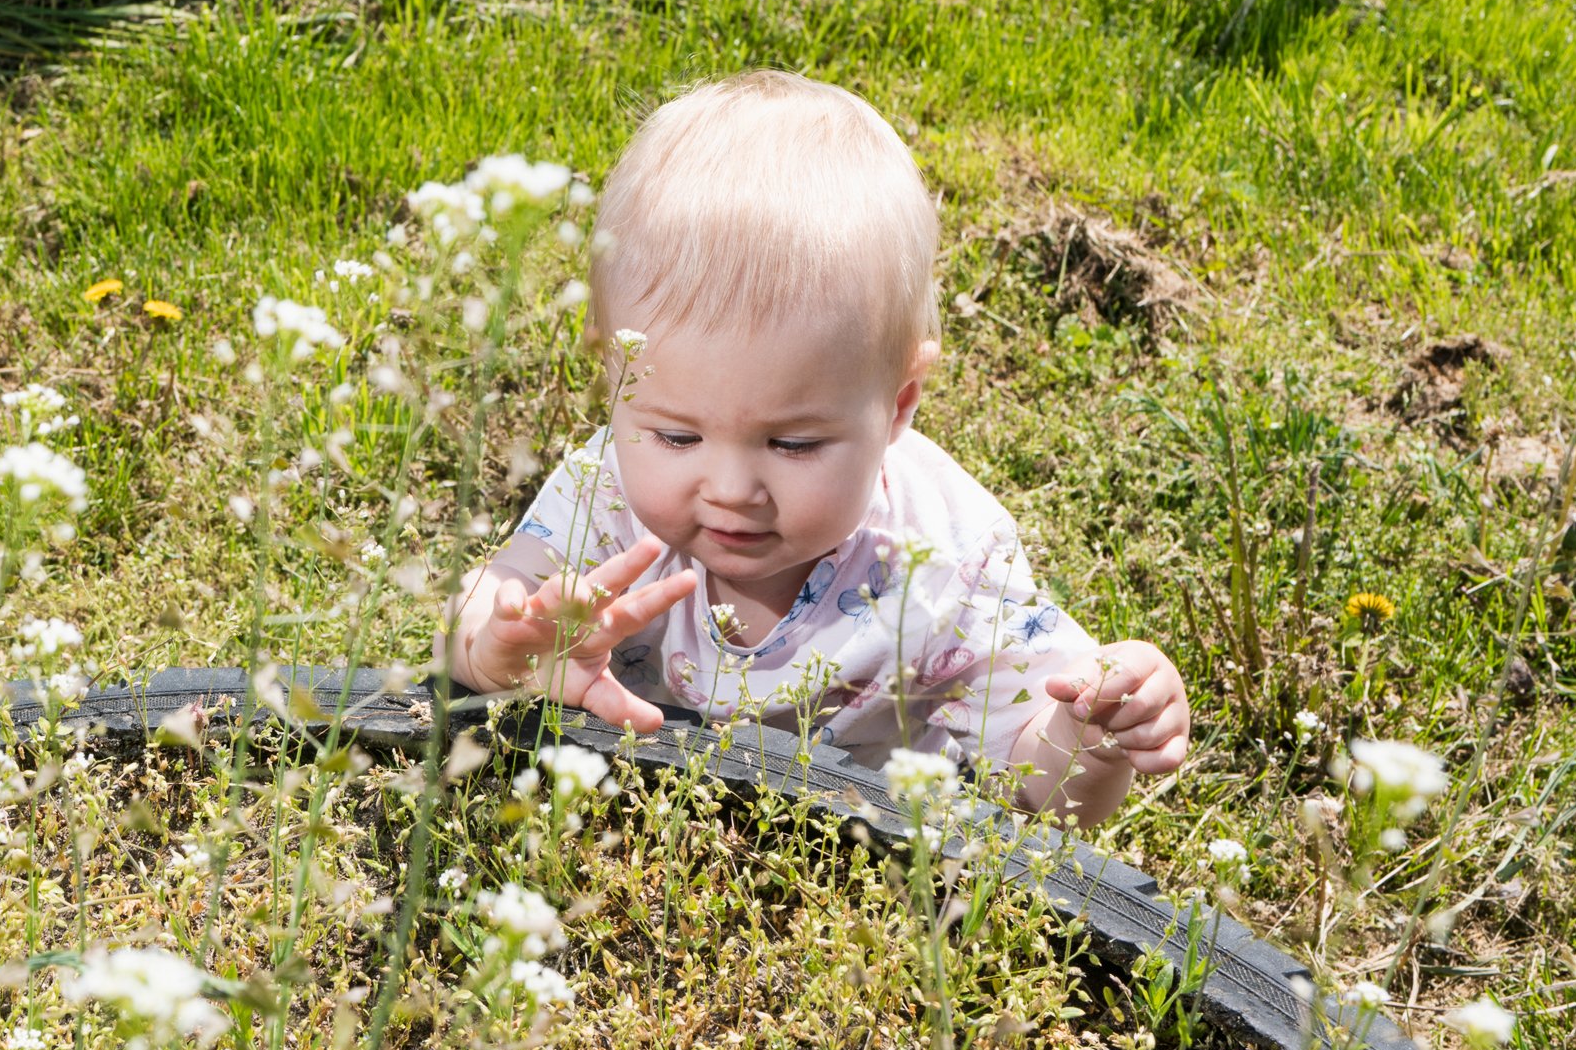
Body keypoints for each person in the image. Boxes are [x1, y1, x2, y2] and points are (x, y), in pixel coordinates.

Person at [443, 71, 1188, 825]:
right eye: (677, 435)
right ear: (614, 373)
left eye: (793, 443)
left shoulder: (944, 561)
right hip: (630, 844)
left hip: (862, 885)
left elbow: (1040, 795)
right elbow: (488, 597)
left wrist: (1088, 735)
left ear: (899, 402)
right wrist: (501, 645)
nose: (731, 486)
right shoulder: (604, 491)